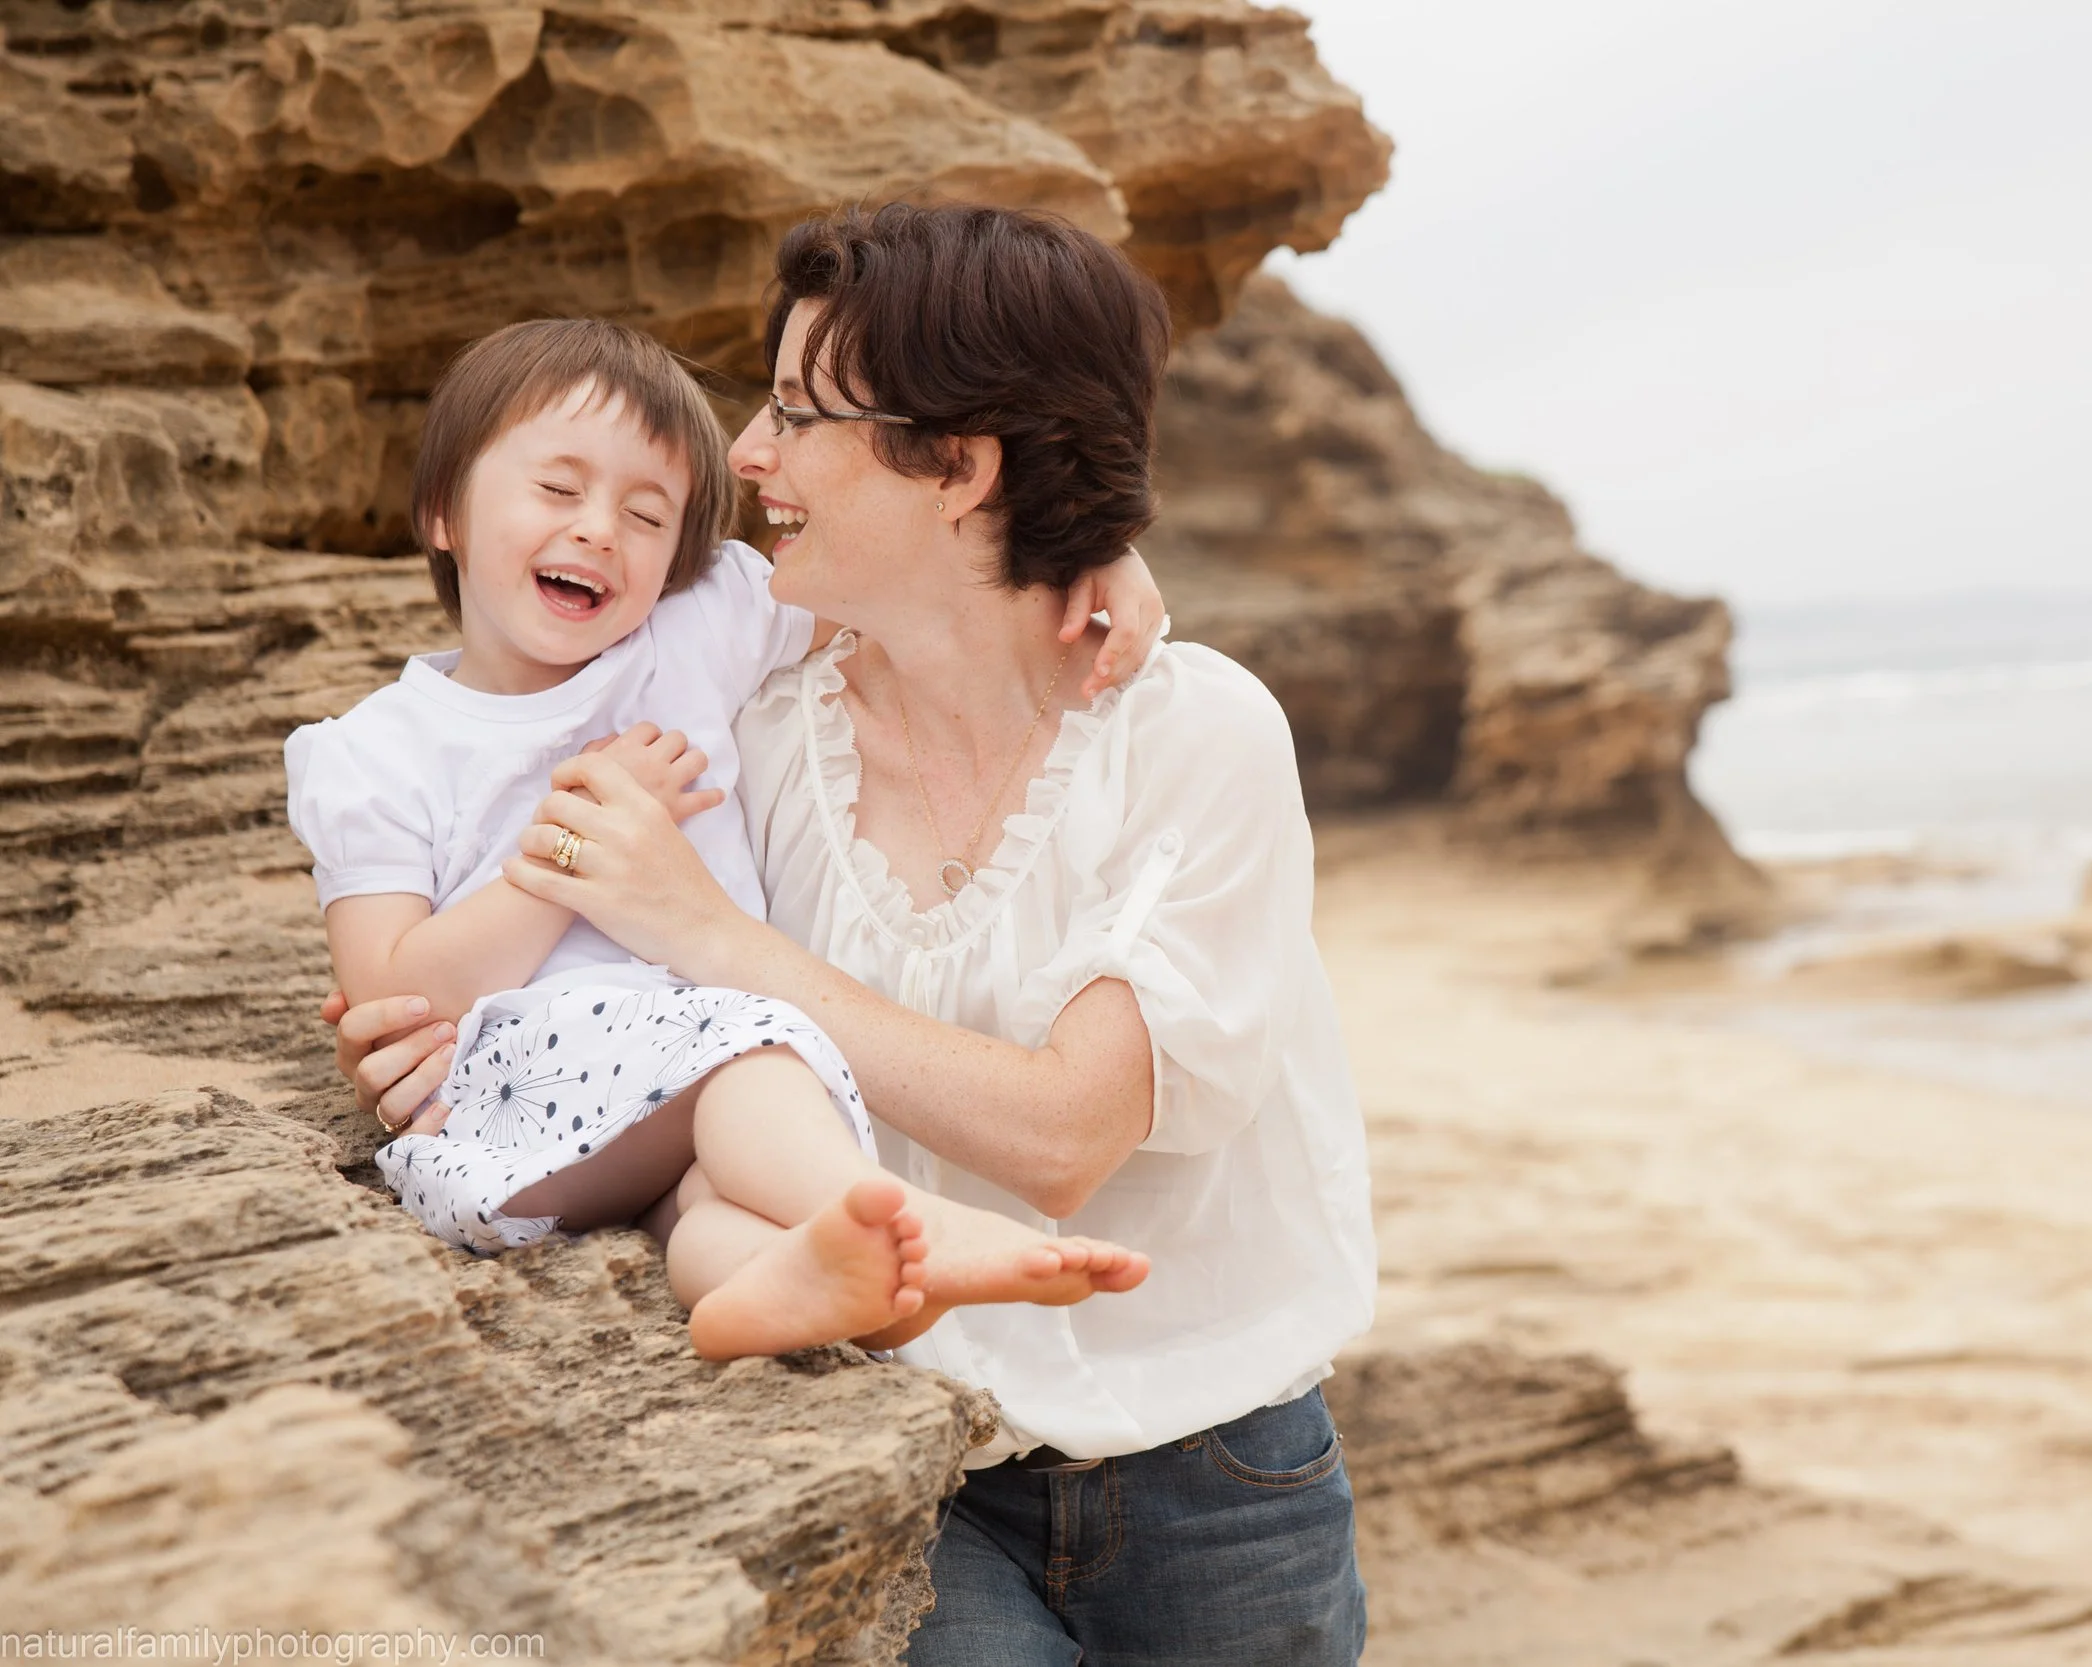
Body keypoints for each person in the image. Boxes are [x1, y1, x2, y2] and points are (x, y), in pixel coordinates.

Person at [334, 203, 1376, 1666]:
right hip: (905, 1449)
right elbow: (532, 833)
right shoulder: (751, 736)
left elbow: (1067, 1133)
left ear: (960, 465)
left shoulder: (1191, 728)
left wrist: (710, 934)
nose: (744, 454)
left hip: (1219, 1471)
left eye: (799, 412)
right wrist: (429, 1035)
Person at [289, 317, 1163, 1359]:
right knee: (748, 1055)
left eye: (647, 513)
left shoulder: (700, 623)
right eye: (558, 491)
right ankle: (908, 1222)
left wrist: (1091, 561)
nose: (601, 530)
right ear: (442, 512)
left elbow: (926, 591)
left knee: (711, 1204)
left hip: (673, 1116)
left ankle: (803, 1288)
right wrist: (575, 847)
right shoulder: (373, 751)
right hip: (517, 1103)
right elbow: (399, 1002)